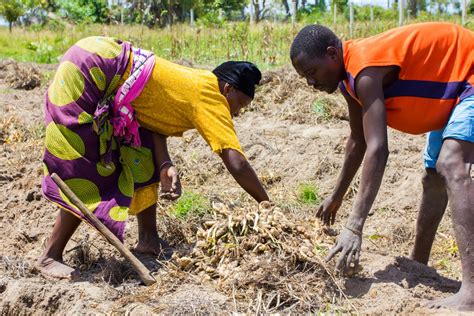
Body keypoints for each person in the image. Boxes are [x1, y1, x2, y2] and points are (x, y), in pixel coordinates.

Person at [37, 36, 269, 280]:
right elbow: (236, 162)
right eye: (240, 104)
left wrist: (165, 164)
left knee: (141, 152)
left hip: (99, 60)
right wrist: (267, 204)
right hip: (91, 67)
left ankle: (149, 241)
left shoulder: (197, 83)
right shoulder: (212, 97)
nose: (237, 113)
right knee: (86, 164)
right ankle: (50, 256)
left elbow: (151, 122)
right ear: (228, 89)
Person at [290, 23, 473, 311]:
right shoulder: (347, 81)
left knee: (451, 163)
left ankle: (471, 291)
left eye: (312, 73)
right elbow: (357, 140)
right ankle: (418, 266)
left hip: (469, 74)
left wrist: (354, 225)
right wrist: (336, 196)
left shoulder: (363, 70)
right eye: (305, 78)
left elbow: (379, 149)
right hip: (452, 94)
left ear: (331, 53)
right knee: (433, 176)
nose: (310, 83)